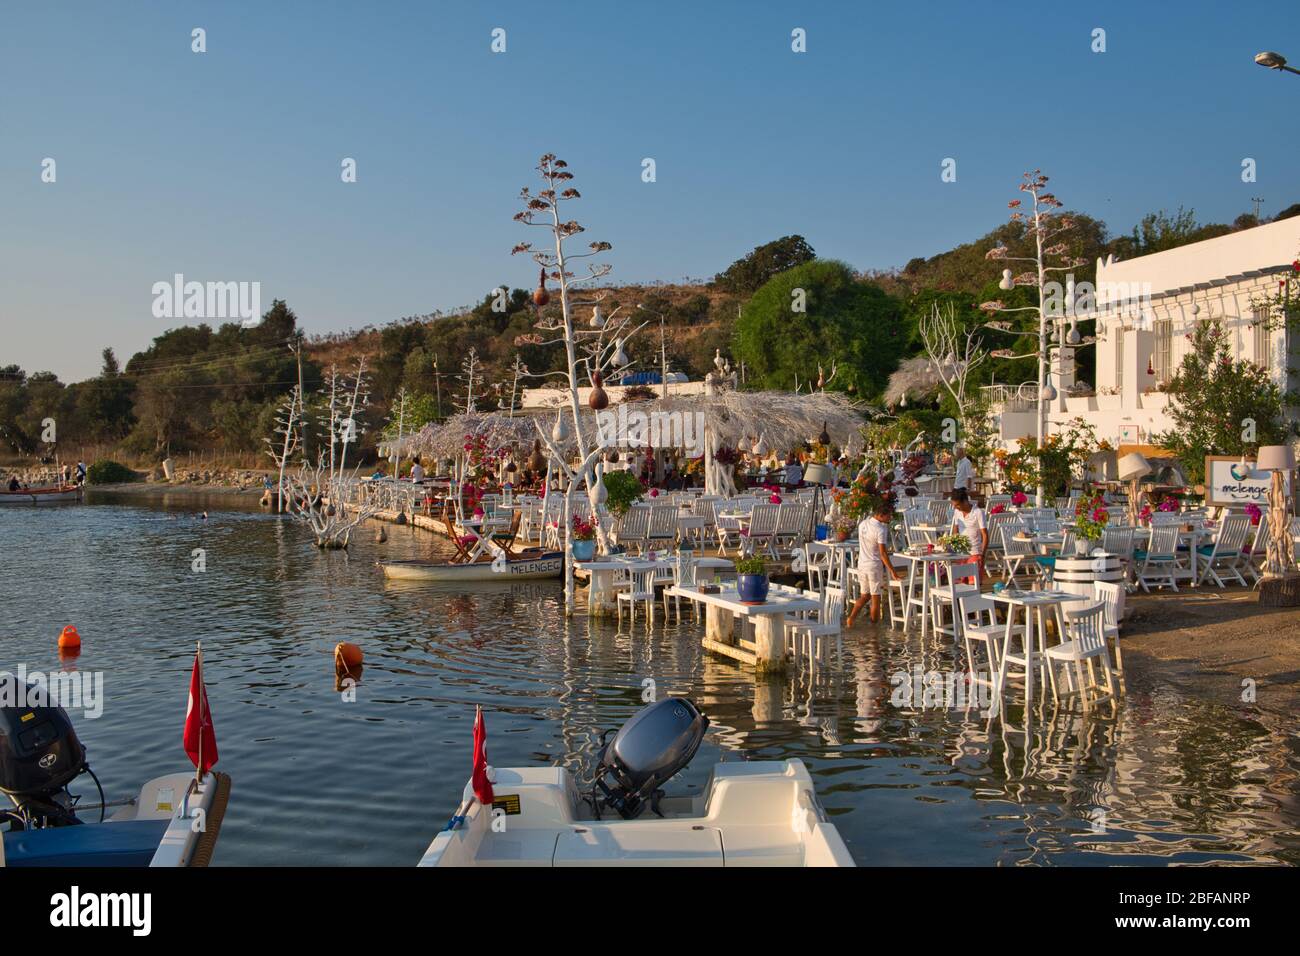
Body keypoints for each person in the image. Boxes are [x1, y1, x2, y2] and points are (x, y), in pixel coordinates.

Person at [846, 499, 902, 626]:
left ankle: (851, 619)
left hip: (862, 564)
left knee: (865, 596)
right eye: (889, 515)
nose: (890, 517)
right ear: (881, 515)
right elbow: (882, 553)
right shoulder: (881, 529)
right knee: (876, 599)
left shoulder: (863, 524)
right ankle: (874, 628)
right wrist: (893, 571)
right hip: (874, 565)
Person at [949, 488, 988, 581]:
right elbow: (956, 529)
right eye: (954, 505)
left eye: (957, 505)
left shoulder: (978, 512)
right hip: (961, 553)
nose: (955, 507)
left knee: (973, 584)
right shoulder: (957, 512)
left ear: (965, 501)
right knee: (960, 583)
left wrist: (982, 555)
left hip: (975, 551)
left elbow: (985, 535)